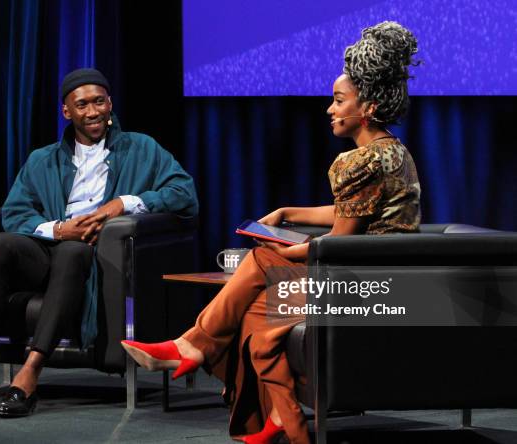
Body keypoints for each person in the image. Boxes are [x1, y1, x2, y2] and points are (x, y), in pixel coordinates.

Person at [121, 22, 421, 443]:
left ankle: (194, 346)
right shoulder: (392, 150)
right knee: (258, 320)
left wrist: (282, 252)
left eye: (338, 101)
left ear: (367, 108)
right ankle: (283, 420)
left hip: (366, 286)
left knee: (261, 261)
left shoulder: (358, 163)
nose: (329, 109)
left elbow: (339, 243)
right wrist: (287, 213)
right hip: (385, 279)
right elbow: (353, 213)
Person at [0, 68, 198, 417]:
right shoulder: (43, 159)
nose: (93, 111)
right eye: (82, 104)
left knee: (72, 252)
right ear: (67, 112)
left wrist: (124, 203)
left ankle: (30, 372)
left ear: (110, 103)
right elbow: (15, 212)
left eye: (99, 102)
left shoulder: (141, 148)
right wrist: (57, 229)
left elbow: (184, 193)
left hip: (93, 255)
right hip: (48, 247)